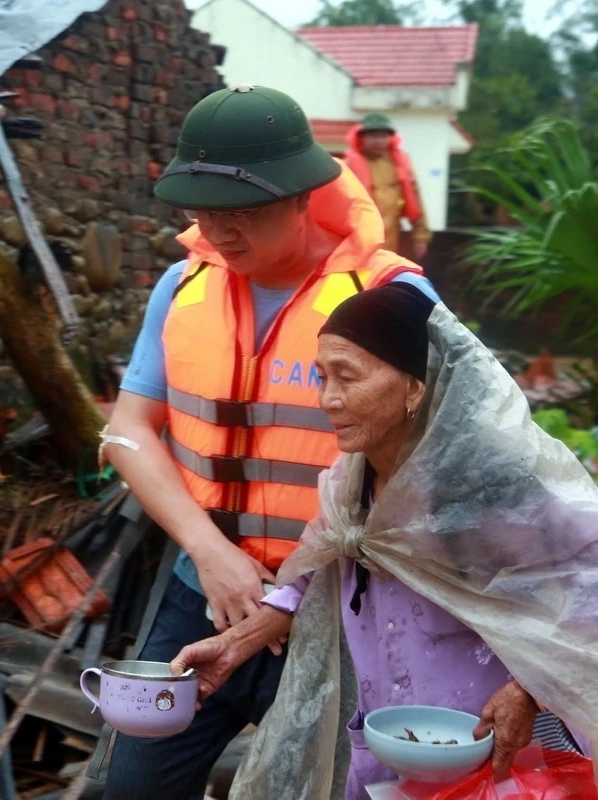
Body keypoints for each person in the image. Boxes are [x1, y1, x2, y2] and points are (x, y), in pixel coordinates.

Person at [170, 283, 598, 800]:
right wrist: (235, 646)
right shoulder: (350, 483)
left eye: (347, 377)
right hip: (395, 754)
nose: (327, 399)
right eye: (322, 377)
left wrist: (533, 690)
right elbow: (317, 571)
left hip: (495, 758)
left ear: (415, 387)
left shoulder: (496, 488)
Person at [97, 85, 442, 800]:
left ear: (303, 196)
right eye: (203, 215)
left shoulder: (393, 300)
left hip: (347, 612)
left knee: (335, 788)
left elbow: (444, 468)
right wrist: (210, 553)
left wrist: (289, 595)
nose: (220, 236)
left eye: (244, 214)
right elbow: (129, 429)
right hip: (205, 593)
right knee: (133, 785)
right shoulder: (181, 286)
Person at [344, 113, 432, 261]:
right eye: (372, 135)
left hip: (392, 242)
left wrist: (421, 237)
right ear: (361, 138)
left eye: (383, 135)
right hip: (356, 243)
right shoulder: (347, 166)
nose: (378, 141)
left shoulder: (400, 166)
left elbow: (415, 202)